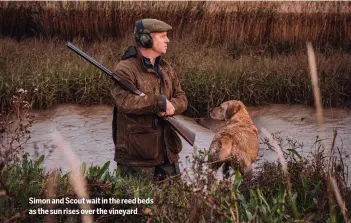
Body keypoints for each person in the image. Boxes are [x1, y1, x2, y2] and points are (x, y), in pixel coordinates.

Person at [110, 18, 188, 182]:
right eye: (162, 36)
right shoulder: (125, 69)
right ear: (145, 39)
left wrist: (170, 106)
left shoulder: (166, 68)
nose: (168, 40)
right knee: (135, 205)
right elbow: (125, 102)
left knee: (175, 204)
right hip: (137, 158)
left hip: (167, 153)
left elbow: (181, 97)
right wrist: (157, 102)